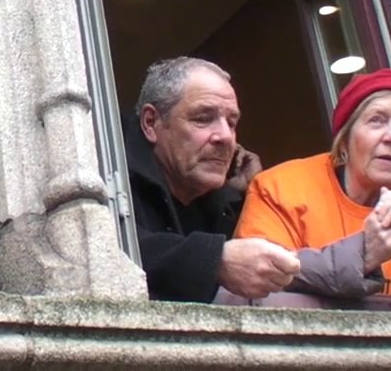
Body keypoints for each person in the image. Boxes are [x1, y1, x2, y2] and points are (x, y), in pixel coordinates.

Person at [234, 68, 391, 312]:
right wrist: (365, 254)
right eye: (377, 121)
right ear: (344, 140)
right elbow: (257, 283)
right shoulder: (282, 187)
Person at [126, 57, 301, 302]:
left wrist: (253, 196)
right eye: (203, 118)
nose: (226, 137)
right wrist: (215, 260)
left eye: (232, 122)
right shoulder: (110, 178)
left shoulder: (229, 201)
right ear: (151, 123)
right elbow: (106, 252)